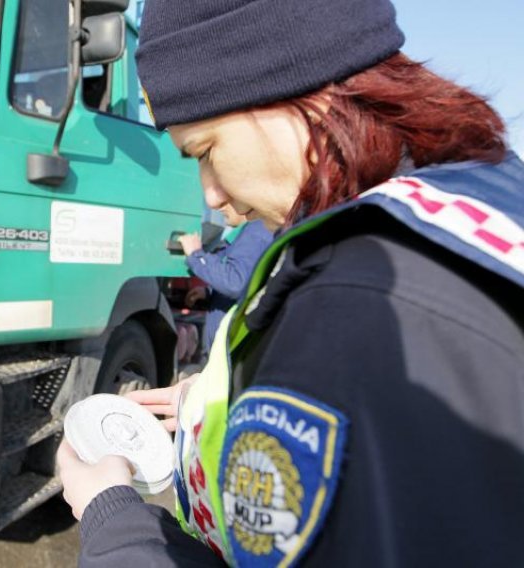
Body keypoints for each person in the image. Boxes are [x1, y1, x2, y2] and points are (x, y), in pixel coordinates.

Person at [57, 0, 524, 565]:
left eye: (205, 151)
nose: (211, 196)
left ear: (296, 88)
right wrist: (225, 398)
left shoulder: (357, 300)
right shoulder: (475, 199)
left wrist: (114, 516)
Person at [178, 207, 272, 358]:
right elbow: (246, 281)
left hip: (233, 351)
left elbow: (235, 283)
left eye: (228, 198)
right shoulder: (254, 231)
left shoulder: (255, 232)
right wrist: (209, 293)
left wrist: (196, 255)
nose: (219, 206)